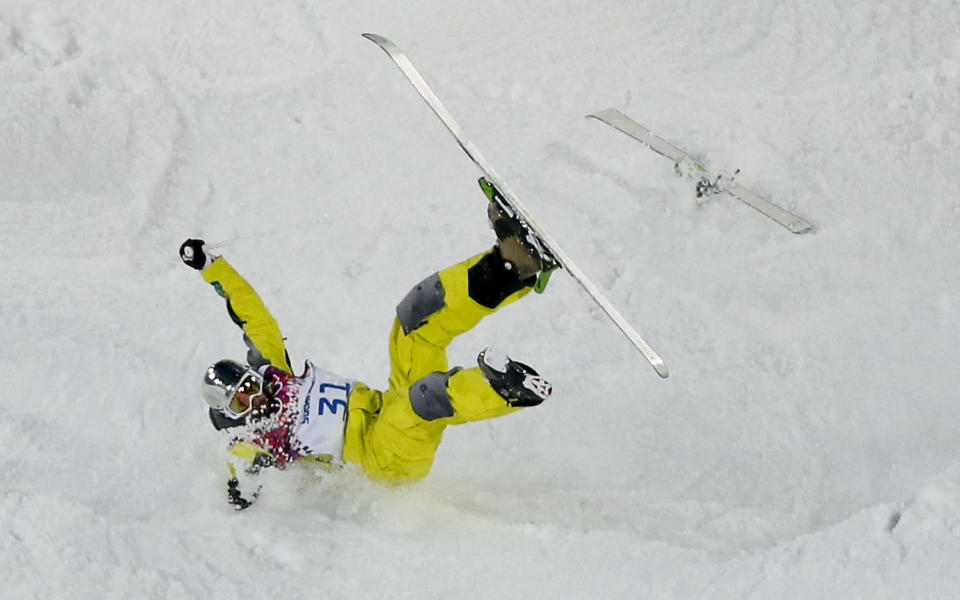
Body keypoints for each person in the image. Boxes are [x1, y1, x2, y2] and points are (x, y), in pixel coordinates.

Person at [181, 178, 558, 510]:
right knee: (424, 400)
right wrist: (241, 485)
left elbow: (252, 314)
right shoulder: (252, 440)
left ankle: (515, 265)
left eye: (249, 385)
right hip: (383, 460)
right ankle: (506, 389)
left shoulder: (273, 372)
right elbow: (241, 482)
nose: (255, 396)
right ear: (232, 414)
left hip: (384, 404)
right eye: (241, 401)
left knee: (414, 320)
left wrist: (210, 267)